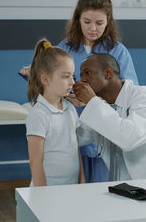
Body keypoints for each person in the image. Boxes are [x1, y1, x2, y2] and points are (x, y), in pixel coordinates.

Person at [21, 0, 139, 183]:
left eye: (99, 23)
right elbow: (49, 83)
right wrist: (64, 93)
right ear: (77, 19)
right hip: (70, 136)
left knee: (103, 195)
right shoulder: (64, 48)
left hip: (105, 135)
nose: (93, 28)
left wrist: (92, 99)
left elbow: (127, 94)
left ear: (108, 21)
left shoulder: (118, 51)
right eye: (87, 22)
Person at [25, 39, 85, 186]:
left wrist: (82, 181)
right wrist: (42, 195)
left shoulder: (70, 108)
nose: (72, 82)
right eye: (66, 76)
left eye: (73, 76)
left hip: (70, 188)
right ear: (45, 79)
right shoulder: (39, 114)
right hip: (48, 190)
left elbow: (75, 147)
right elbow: (35, 161)